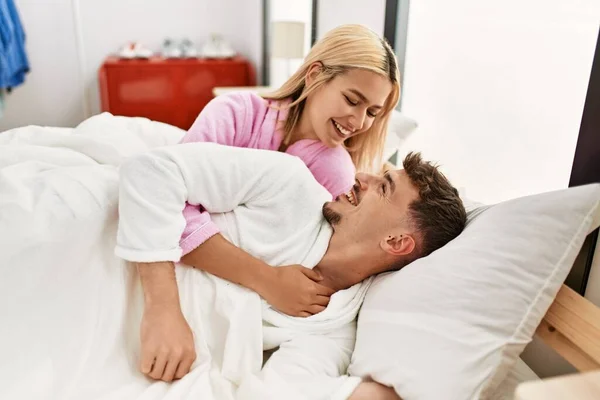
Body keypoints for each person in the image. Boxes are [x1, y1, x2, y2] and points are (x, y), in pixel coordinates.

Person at [134, 23, 403, 386]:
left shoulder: (335, 173)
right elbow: (169, 199)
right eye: (352, 100)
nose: (358, 122)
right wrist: (266, 278)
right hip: (165, 258)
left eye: (372, 112)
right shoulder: (236, 112)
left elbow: (309, 266)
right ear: (314, 75)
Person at [116, 142, 467, 399]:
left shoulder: (336, 322)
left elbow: (284, 390)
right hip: (119, 264)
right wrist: (162, 308)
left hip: (140, 354)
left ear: (395, 242)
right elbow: (149, 170)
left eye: (383, 187)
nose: (361, 176)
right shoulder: (289, 185)